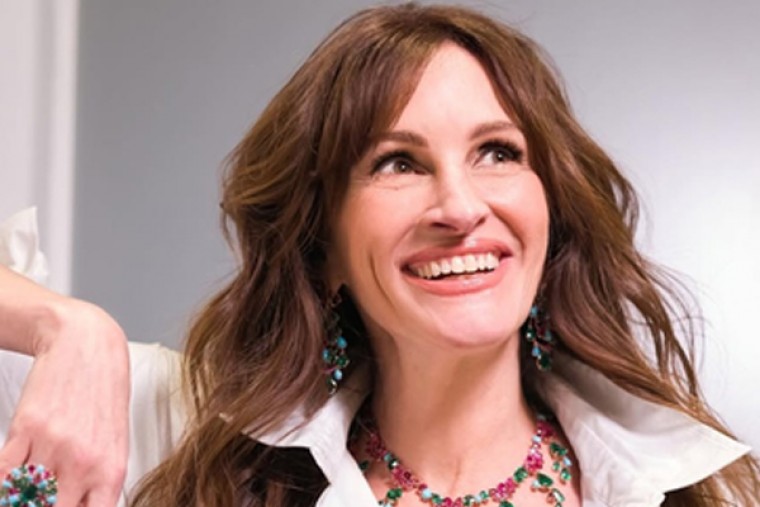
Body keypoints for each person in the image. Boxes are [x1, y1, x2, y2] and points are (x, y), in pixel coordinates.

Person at [1, 3, 758, 506]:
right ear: (323, 245)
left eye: (498, 152)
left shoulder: (697, 489)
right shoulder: (183, 436)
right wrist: (69, 329)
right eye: (398, 162)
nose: (460, 207)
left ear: (551, 216)